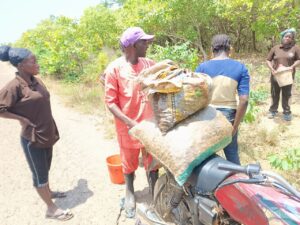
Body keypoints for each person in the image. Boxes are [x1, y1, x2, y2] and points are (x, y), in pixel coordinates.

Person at [0, 46, 73, 221]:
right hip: (32, 138)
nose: (37, 64)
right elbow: (1, 109)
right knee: (39, 174)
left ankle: (49, 192)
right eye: (33, 61)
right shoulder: (14, 86)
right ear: (21, 65)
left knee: (45, 169)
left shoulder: (36, 80)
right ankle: (51, 209)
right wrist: (22, 119)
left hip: (46, 133)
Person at [104, 27, 159, 218]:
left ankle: (155, 193)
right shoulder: (114, 69)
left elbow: (162, 83)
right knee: (129, 163)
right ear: (133, 45)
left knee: (153, 162)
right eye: (144, 42)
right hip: (127, 127)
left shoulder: (150, 64)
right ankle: (129, 191)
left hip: (150, 126)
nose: (147, 45)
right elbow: (110, 102)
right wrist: (130, 122)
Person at [195, 34, 250, 165]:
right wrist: (235, 126)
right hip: (228, 117)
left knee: (203, 158)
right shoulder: (240, 68)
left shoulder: (202, 67)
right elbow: (244, 100)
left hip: (207, 116)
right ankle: (237, 183)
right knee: (232, 156)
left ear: (212, 49)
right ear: (229, 48)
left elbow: (195, 96)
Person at [266, 28, 300, 121]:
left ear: (292, 39)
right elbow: (268, 60)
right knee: (274, 93)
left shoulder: (295, 48)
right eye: (286, 36)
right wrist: (271, 69)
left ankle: (287, 112)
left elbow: (299, 59)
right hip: (275, 75)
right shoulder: (275, 48)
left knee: (287, 94)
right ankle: (273, 110)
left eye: (290, 37)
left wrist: (292, 66)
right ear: (282, 37)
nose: (287, 38)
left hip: (288, 76)